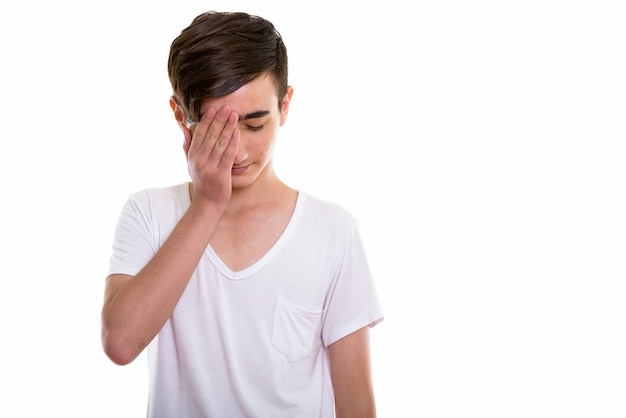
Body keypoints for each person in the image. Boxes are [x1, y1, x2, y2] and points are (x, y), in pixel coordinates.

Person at [101, 10, 384, 418]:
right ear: (181, 116)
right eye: (215, 129)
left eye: (255, 125)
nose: (237, 152)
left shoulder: (331, 231)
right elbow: (120, 343)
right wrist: (207, 204)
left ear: (285, 106)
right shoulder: (149, 213)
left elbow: (356, 403)